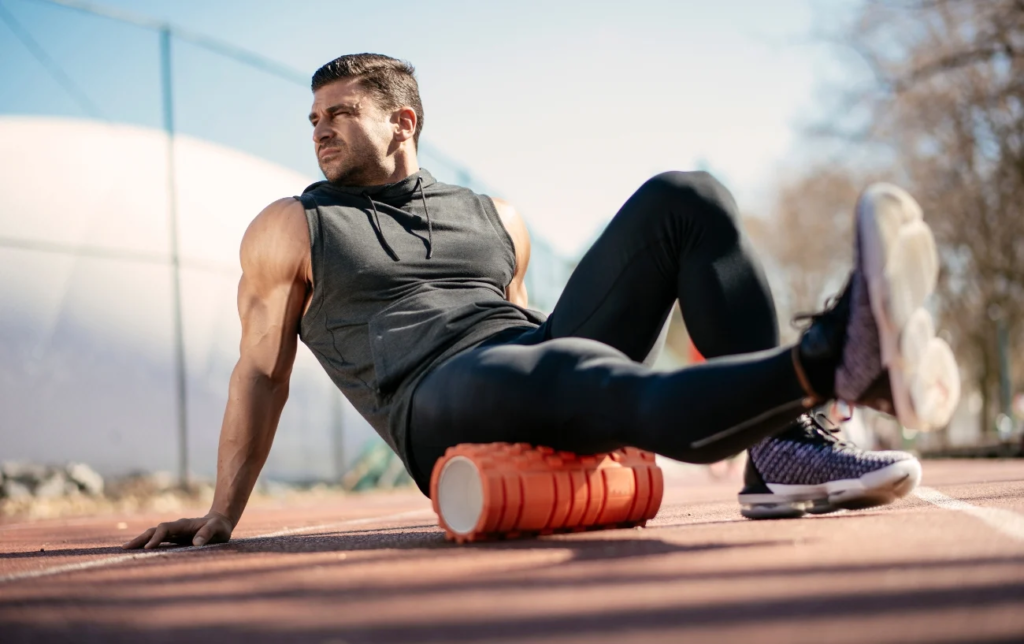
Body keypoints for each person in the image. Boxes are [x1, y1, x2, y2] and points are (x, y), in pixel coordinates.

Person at [124, 53, 959, 549]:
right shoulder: (291, 227)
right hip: (437, 394)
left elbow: (529, 322)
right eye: (314, 117)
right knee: (578, 378)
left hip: (526, 355)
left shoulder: (495, 216)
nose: (319, 129)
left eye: (341, 113)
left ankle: (784, 448)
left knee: (688, 196)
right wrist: (222, 512)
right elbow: (260, 372)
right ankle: (834, 356)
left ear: (403, 122)